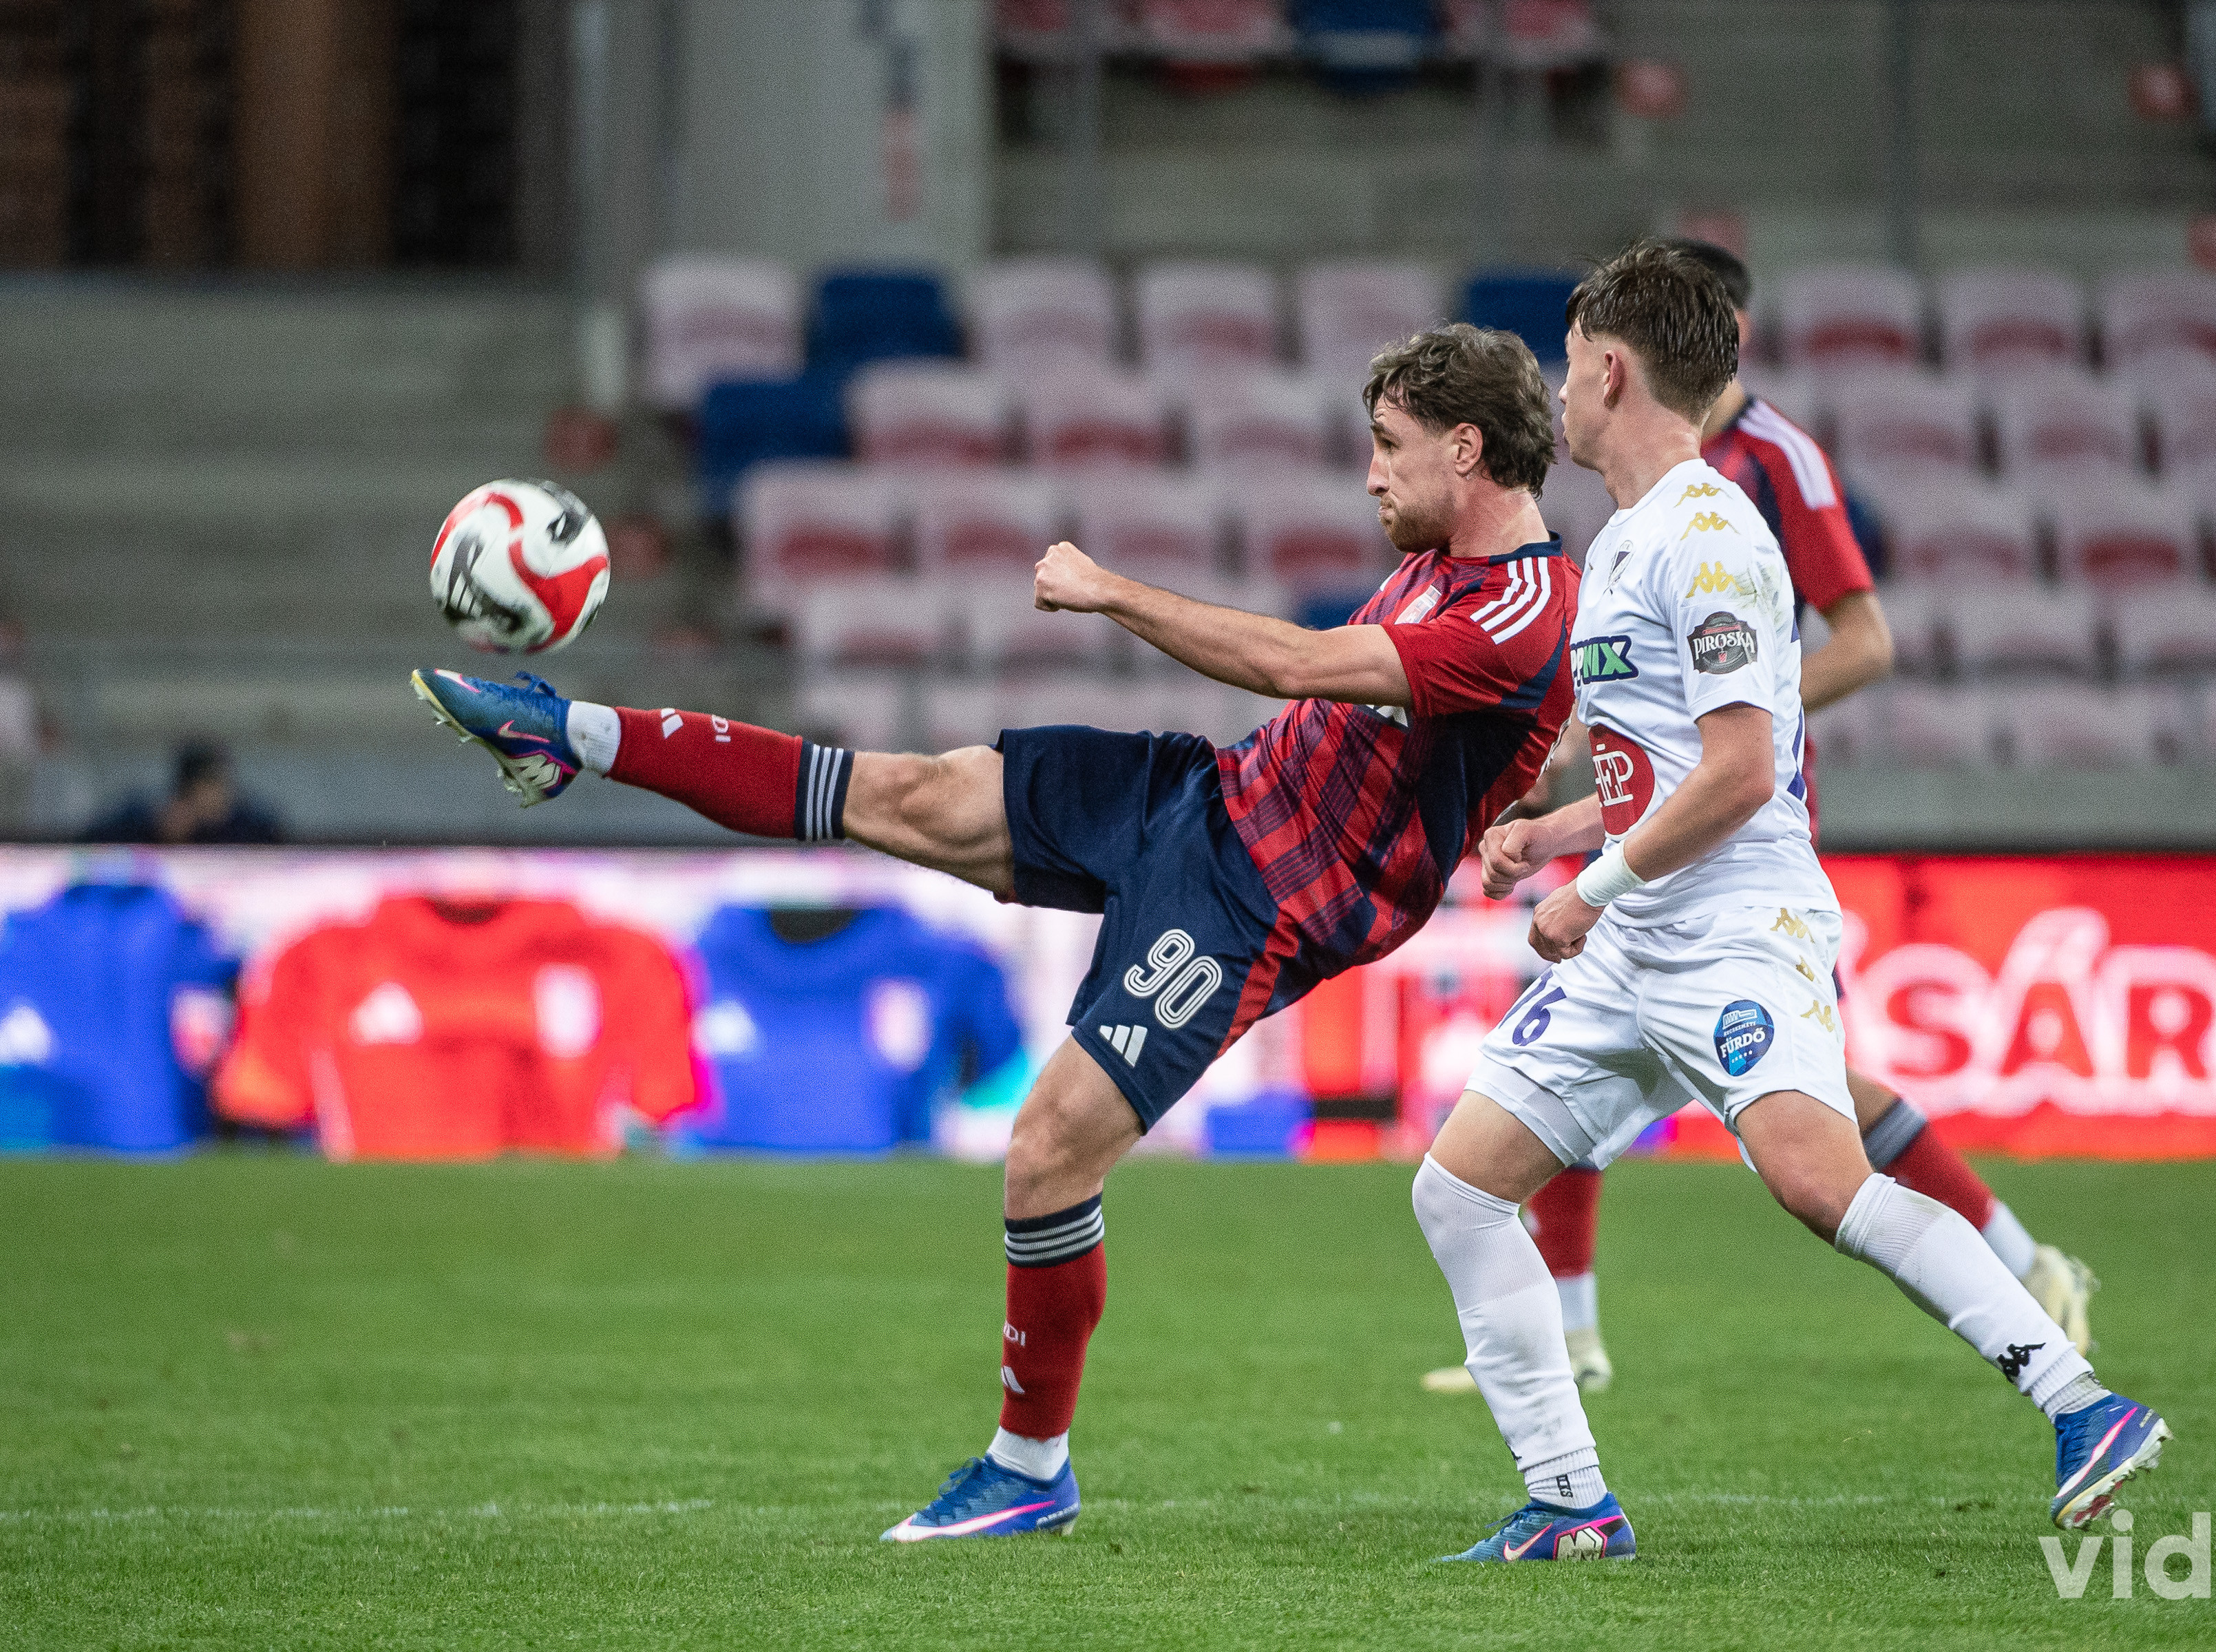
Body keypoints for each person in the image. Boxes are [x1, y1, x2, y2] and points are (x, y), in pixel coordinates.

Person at [411, 322, 1582, 1545]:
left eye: (1389, 446)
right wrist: (1534, 807)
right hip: (1207, 796)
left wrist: (1110, 590)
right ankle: (567, 735)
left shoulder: (1523, 610)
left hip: (1265, 900)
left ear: (1466, 448)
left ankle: (1029, 1469)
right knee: (904, 793)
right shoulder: (1448, 565)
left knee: (1046, 1152)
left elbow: (1299, 664)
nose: (1371, 474)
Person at [1413, 242, 2167, 1565]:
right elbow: (1665, 768)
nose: (1561, 392)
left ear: (1613, 370)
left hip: (1730, 931)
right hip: (1640, 935)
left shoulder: (1709, 537)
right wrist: (1557, 832)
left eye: (1570, 365)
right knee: (1459, 1190)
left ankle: (2081, 1404)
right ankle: (1573, 1504)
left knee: (1821, 1184)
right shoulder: (1632, 535)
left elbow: (1744, 772)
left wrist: (1589, 889)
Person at [81, 737, 284, 845]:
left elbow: (281, 847)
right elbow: (90, 841)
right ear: (187, 791)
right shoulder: (150, 818)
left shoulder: (248, 823)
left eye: (220, 784)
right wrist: (160, 834)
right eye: (207, 785)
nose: (217, 795)